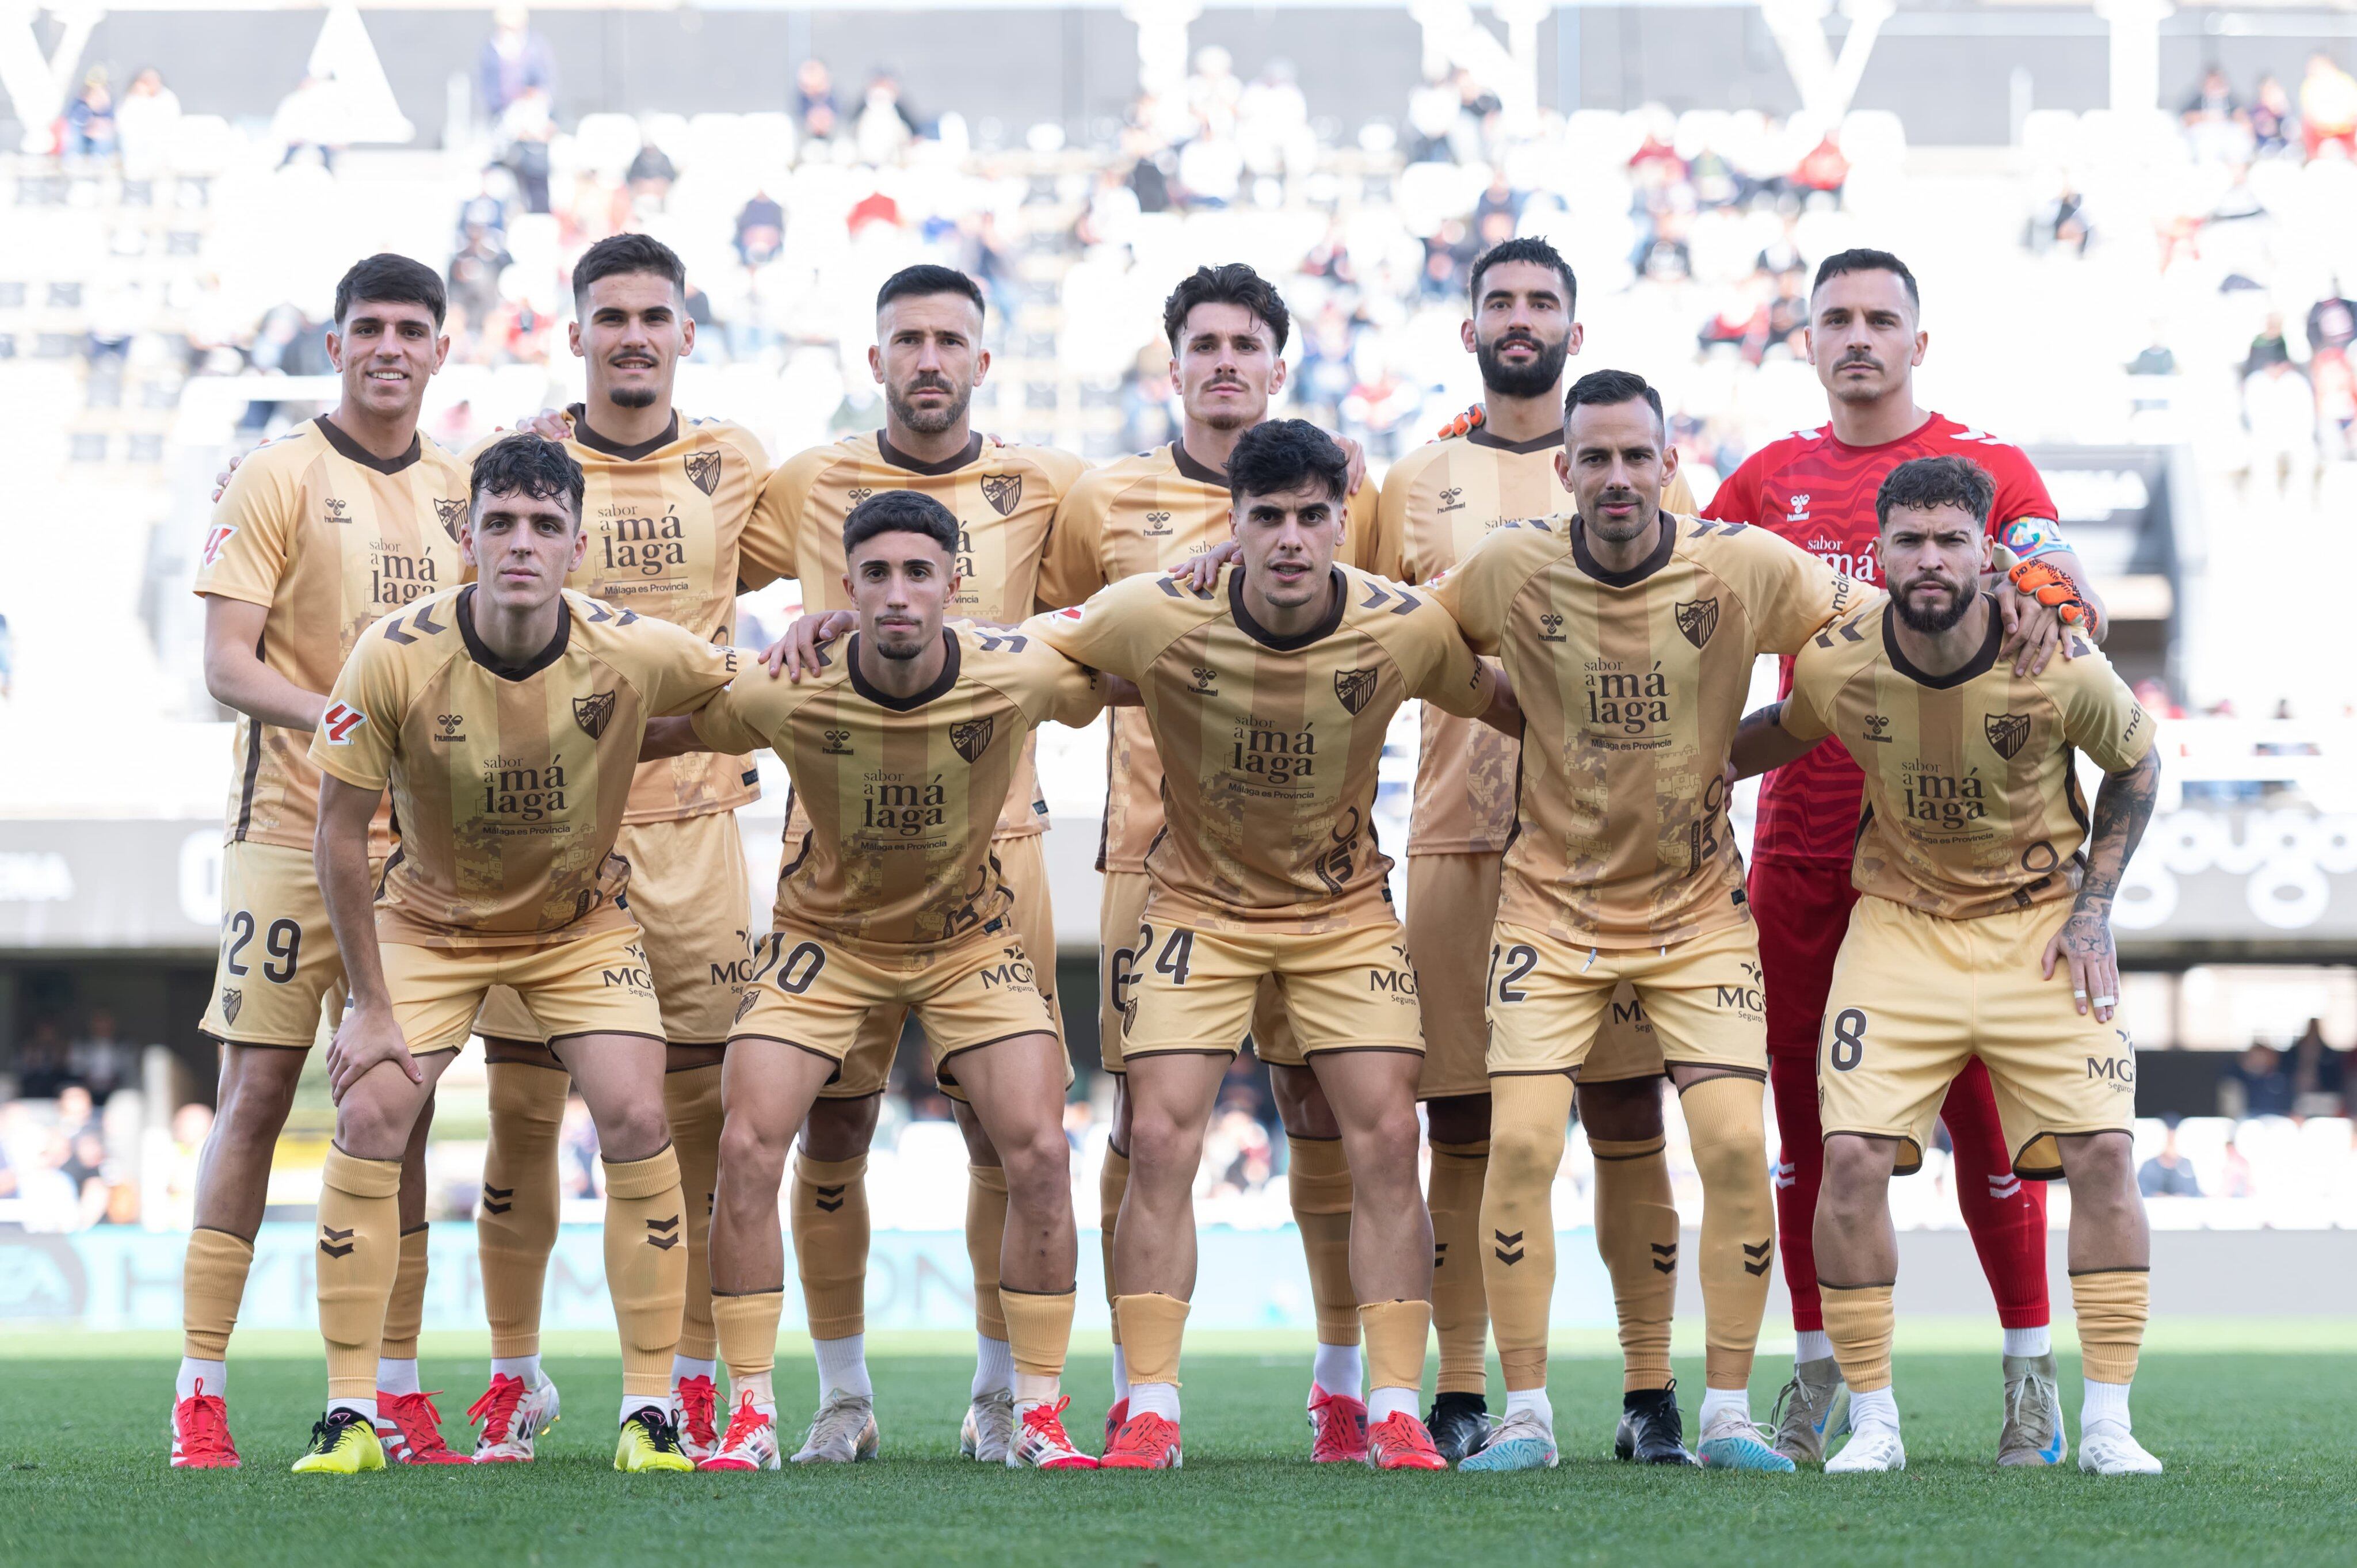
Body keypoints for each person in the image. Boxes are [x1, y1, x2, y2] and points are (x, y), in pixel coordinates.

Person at [1035, 418, 1516, 1471]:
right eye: (1267, 518)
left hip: (1342, 915)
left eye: (1310, 515)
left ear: (1344, 519)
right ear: (1234, 525)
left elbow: (1510, 704)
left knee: (1386, 1139)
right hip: (1196, 912)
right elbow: (1034, 656)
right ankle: (1150, 1407)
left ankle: (1388, 1405)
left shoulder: (1404, 624)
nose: (1291, 538)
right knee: (1158, 1140)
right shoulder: (1157, 611)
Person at [1699, 247, 2105, 1466]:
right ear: (1806, 341)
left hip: (1962, 866)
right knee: (1810, 1135)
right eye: (1836, 319)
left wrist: (2047, 590)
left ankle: (2027, 1375)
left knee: (1987, 1128)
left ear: (1917, 342)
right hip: (1801, 856)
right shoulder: (1764, 481)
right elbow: (1681, 614)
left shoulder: (1989, 472)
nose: (1858, 337)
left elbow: (2069, 601)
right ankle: (1818, 1373)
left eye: (1881, 318)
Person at [1428, 368, 1856, 1475]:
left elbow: (1862, 634)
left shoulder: (1743, 563)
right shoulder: (1515, 564)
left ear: (1669, 463)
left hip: (1697, 913)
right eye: (1596, 458)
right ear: (1563, 469)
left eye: (1637, 456)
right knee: (1519, 1143)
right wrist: (1504, 708)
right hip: (1549, 911)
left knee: (1729, 1148)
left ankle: (1722, 1416)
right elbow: (1422, 643)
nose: (1617, 477)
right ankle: (1525, 1415)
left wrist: (1769, 735)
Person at [293, 433, 740, 1475]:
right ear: (467, 538)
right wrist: (367, 1001)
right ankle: (351, 1414)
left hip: (579, 929)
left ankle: (649, 1415)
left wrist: (825, 642)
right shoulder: (391, 652)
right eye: (500, 523)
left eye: (544, 526)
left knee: (636, 1113)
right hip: (429, 927)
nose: (521, 544)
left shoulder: (634, 645)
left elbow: (745, 695)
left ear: (578, 546)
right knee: (370, 1108)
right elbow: (335, 832)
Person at [644, 490, 1109, 1472]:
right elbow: (662, 730)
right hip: (829, 942)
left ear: (951, 582)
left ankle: (1034, 1411)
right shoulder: (787, 682)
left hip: (969, 939)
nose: (897, 594)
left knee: (1037, 1151)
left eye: (918, 573)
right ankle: (760, 1414)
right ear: (845, 586)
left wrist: (1216, 573)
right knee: (746, 1146)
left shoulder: (1015, 669)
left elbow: (1139, 666)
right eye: (876, 575)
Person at [1731, 453, 2164, 1477]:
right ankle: (1875, 1422)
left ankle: (2104, 1420)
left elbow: (2139, 764)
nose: (1929, 561)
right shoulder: (1838, 660)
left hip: (2038, 932)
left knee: (2103, 1155)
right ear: (1875, 553)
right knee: (1848, 1164)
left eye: (1951, 541)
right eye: (1910, 541)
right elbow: (1776, 734)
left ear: (1987, 552)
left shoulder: (2054, 659)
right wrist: (1671, 769)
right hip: (1902, 929)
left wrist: (2096, 911)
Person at [1032, 264, 1381, 1457]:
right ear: (1170, 362)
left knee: (1319, 1110)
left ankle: (1342, 1383)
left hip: (1314, 864)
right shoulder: (1104, 499)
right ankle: (1135, 1384)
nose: (1224, 360)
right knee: (1143, 1123)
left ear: (1277, 367)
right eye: (1203, 343)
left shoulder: (1347, 488)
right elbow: (1067, 655)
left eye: (1246, 343)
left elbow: (1379, 626)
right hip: (1151, 849)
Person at [1368, 236, 1702, 1464]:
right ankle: (1464, 1387)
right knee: (1459, 1120)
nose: (1519, 320)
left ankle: (1649, 1389)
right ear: (1467, 329)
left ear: (1574, 321)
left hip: (1615, 849)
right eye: (1497, 302)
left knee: (1625, 1109)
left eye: (1540, 302)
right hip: (1458, 836)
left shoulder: (1653, 471)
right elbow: (1361, 643)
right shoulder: (1413, 479)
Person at [747, 265, 1086, 1464]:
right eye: (908, 339)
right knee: (829, 1131)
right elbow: (670, 564)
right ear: (875, 355)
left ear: (982, 361)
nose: (928, 357)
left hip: (1001, 852)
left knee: (1012, 1135)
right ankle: (841, 1397)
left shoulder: (1048, 486)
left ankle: (1003, 1397)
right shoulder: (804, 483)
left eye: (950, 339)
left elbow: (1132, 603)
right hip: (833, 858)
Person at [463, 234, 774, 1465]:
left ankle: (685, 1380)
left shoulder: (735, 464)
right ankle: (514, 1375)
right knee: (522, 1112)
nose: (633, 333)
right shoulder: (526, 465)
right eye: (611, 315)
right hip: (543, 843)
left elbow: (886, 526)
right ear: (574, 330)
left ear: (686, 332)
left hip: (695, 833)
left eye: (655, 314)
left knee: (691, 1120)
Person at [176, 254, 470, 1471]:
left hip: (418, 856)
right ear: (339, 345)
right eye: (369, 328)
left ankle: (395, 1389)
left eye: (412, 328)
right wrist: (340, 721)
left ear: (440, 349)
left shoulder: (464, 492)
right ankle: (201, 1388)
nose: (390, 346)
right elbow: (226, 665)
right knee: (254, 1095)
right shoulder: (277, 472)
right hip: (289, 835)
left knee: (395, 1105)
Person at [2138, 1123, 2202, 1197]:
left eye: (2173, 1140)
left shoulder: (2186, 1165)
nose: (2171, 1143)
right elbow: (2140, 1191)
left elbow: (2194, 1192)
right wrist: (2157, 1196)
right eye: (2169, 1140)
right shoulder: (2149, 1166)